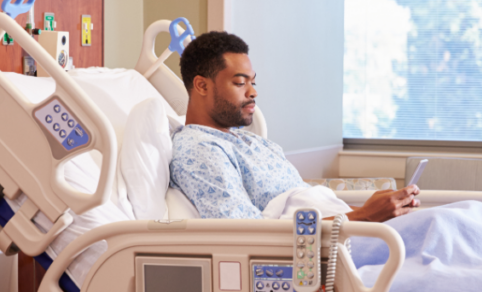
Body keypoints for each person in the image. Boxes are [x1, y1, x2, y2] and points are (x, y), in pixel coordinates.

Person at [169, 31, 420, 221]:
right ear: (201, 86)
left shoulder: (251, 141)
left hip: (348, 231)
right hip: (327, 251)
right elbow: (245, 234)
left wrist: (378, 210)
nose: (253, 92)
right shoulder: (201, 150)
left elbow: (311, 208)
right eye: (239, 83)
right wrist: (364, 216)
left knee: (455, 217)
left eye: (253, 82)